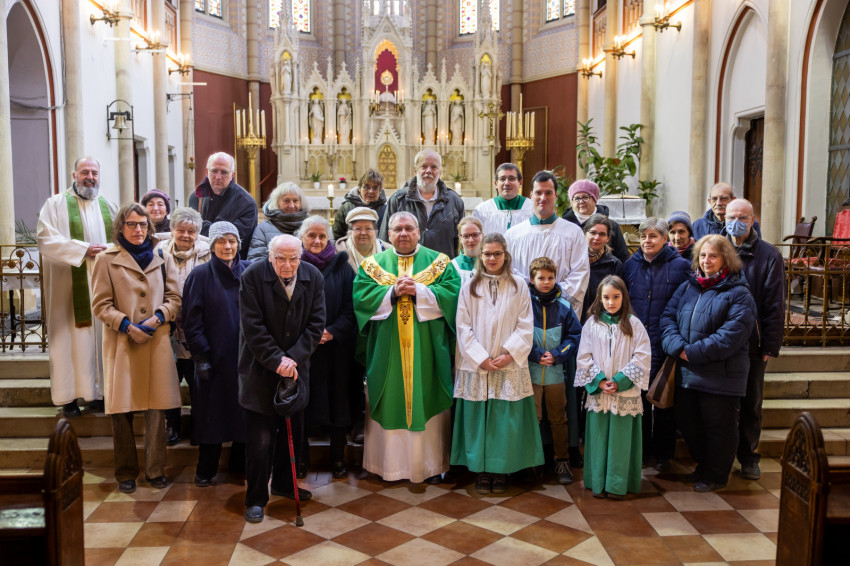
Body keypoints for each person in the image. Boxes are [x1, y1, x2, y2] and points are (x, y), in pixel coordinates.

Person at [354, 212, 461, 483]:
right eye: (398, 229)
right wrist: (391, 292)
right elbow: (361, 299)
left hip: (428, 350)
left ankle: (430, 467)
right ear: (388, 234)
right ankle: (386, 467)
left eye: (409, 228)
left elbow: (453, 297)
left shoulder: (440, 263)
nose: (403, 233)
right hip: (386, 349)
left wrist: (420, 292)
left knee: (428, 397)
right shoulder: (372, 265)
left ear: (419, 232)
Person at [91, 204, 182, 494]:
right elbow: (100, 304)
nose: (138, 229)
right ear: (121, 227)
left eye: (143, 224)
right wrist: (128, 326)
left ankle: (155, 469)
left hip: (156, 342)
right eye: (131, 224)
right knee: (121, 412)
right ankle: (126, 471)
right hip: (123, 343)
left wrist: (156, 319)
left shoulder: (162, 256)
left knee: (157, 410)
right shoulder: (106, 259)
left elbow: (174, 298)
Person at [239, 234, 325, 523]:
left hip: (296, 369)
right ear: (270, 256)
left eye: (293, 258)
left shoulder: (313, 276)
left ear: (301, 257)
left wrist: (294, 357)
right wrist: (278, 360)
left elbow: (316, 324)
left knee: (293, 433)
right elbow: (252, 327)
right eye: (280, 259)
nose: (287, 265)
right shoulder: (252, 277)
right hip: (260, 369)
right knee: (260, 440)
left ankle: (285, 485)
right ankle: (255, 498)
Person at [660, 235, 757, 492]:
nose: (706, 260)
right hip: (687, 373)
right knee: (689, 424)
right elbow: (667, 318)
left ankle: (717, 474)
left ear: (726, 258)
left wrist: (691, 352)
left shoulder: (739, 293)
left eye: (713, 255)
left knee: (719, 428)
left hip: (721, 376)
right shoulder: (688, 287)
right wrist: (678, 347)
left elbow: (731, 336)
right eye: (702, 255)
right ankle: (703, 466)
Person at [452, 234, 541, 494]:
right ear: (480, 256)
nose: (492, 258)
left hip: (507, 364)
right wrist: (479, 357)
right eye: (487, 254)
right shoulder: (469, 285)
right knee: (478, 419)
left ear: (505, 255)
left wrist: (509, 354)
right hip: (477, 364)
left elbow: (526, 324)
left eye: (497, 254)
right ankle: (481, 470)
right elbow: (463, 325)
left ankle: (501, 470)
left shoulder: (519, 285)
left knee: (504, 420)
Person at [37, 157, 118, 417]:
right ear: (74, 175)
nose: (90, 177)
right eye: (85, 172)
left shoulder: (109, 206)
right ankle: (69, 397)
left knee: (101, 339)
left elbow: (121, 240)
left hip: (102, 286)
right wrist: (83, 250)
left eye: (94, 172)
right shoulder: (55, 205)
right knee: (68, 340)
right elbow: (45, 239)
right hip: (68, 288)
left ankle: (98, 394)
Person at [181, 222, 248, 487]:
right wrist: (201, 356)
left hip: (245, 359)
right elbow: (191, 320)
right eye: (221, 241)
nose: (227, 246)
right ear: (211, 246)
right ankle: (206, 469)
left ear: (238, 244)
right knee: (212, 417)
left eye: (232, 241)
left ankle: (240, 464)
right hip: (213, 359)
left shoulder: (249, 271)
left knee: (244, 415)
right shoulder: (200, 276)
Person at [723, 199, 785, 481]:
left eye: (742, 217)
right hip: (719, 339)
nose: (735, 222)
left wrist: (770, 344)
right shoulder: (714, 247)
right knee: (721, 403)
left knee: (751, 403)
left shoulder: (769, 255)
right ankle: (719, 457)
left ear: (752, 220)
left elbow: (775, 304)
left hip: (752, 342)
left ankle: (748, 457)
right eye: (731, 217)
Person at [622, 218, 690, 472]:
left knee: (663, 400)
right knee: (638, 399)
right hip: (636, 345)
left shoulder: (681, 266)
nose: (647, 241)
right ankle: (641, 450)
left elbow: (686, 304)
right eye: (643, 236)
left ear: (665, 239)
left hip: (665, 343)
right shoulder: (630, 265)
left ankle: (663, 454)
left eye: (653, 236)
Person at [575, 275, 651, 499]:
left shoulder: (634, 324)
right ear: (599, 298)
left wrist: (619, 381)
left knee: (620, 442)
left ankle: (617, 485)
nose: (611, 302)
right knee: (598, 439)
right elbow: (584, 356)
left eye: (616, 297)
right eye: (606, 297)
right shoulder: (591, 324)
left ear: (624, 297)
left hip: (624, 393)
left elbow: (642, 357)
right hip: (599, 393)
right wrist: (599, 380)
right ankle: (598, 482)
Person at [297, 216, 356, 479]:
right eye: (311, 235)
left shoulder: (343, 267)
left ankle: (338, 458)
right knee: (302, 404)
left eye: (322, 236)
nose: (317, 240)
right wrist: (307, 334)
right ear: (302, 238)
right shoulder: (293, 264)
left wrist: (333, 331)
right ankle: (301, 458)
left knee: (337, 403)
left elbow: (351, 307)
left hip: (335, 351)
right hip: (302, 350)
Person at [155, 207, 211, 445]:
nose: (186, 235)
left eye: (191, 231)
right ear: (171, 230)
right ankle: (172, 426)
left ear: (198, 232)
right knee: (170, 382)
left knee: (199, 383)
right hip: (167, 328)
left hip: (197, 329)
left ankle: (200, 426)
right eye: (181, 230)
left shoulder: (208, 252)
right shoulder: (158, 252)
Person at [527, 256, 583, 484]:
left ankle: (562, 460)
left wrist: (557, 355)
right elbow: (518, 335)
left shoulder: (565, 307)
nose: (546, 282)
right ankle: (531, 461)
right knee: (533, 417)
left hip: (555, 374)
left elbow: (574, 336)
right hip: (531, 372)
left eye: (550, 278)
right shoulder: (524, 305)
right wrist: (535, 354)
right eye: (541, 278)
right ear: (532, 279)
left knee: (558, 418)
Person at [505, 170, 589, 312]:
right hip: (524, 308)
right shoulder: (513, 235)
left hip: (559, 310)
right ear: (531, 195)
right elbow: (509, 271)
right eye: (538, 193)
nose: (543, 198)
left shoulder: (573, 233)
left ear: (556, 196)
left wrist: (554, 297)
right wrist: (531, 294)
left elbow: (580, 273)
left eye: (548, 193)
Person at [379, 149, 465, 259]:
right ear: (416, 170)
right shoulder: (398, 200)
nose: (428, 171)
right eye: (424, 166)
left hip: (443, 266)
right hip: (407, 266)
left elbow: (461, 242)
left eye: (434, 167)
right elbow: (385, 241)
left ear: (440, 172)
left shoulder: (454, 201)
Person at [193, 152, 258, 259]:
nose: (218, 177)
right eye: (214, 171)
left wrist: (203, 226)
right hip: (199, 259)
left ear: (232, 175)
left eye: (224, 172)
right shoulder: (196, 196)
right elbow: (191, 232)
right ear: (207, 172)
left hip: (232, 262)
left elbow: (232, 240)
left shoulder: (246, 203)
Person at [561, 180, 629, 263]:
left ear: (595, 200)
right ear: (571, 203)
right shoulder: (563, 226)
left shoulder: (612, 226)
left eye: (585, 197)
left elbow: (622, 258)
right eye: (577, 198)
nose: (581, 201)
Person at [249, 182, 309, 261]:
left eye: (295, 201)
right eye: (286, 201)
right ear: (276, 202)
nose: (291, 205)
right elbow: (256, 259)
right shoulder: (263, 229)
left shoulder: (310, 226)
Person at [582, 214, 625, 322]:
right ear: (585, 233)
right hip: (575, 318)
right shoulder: (574, 260)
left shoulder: (614, 264)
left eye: (602, 234)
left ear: (608, 238)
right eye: (593, 233)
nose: (597, 238)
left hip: (601, 320)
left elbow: (617, 297)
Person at [473, 163, 533, 235]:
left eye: (511, 178)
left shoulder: (532, 208)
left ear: (520, 183)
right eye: (502, 179)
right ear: (496, 184)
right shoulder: (482, 210)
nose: (507, 183)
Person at [693, 182, 761, 240]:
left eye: (724, 198)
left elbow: (757, 248)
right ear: (709, 201)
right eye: (714, 199)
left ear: (733, 200)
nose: (719, 203)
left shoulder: (748, 224)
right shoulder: (697, 226)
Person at [333, 169, 387, 240]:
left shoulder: (385, 210)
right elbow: (337, 234)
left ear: (380, 191)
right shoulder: (346, 207)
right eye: (367, 187)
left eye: (375, 188)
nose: (371, 191)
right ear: (359, 188)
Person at [335, 207, 391, 272]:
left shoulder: (388, 251)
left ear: (375, 232)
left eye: (368, 228)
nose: (363, 233)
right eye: (358, 229)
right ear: (350, 233)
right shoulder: (338, 254)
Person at [452, 217, 484, 282]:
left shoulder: (490, 263)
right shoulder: (452, 266)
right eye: (466, 236)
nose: (471, 240)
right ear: (460, 239)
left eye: (475, 235)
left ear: (482, 236)